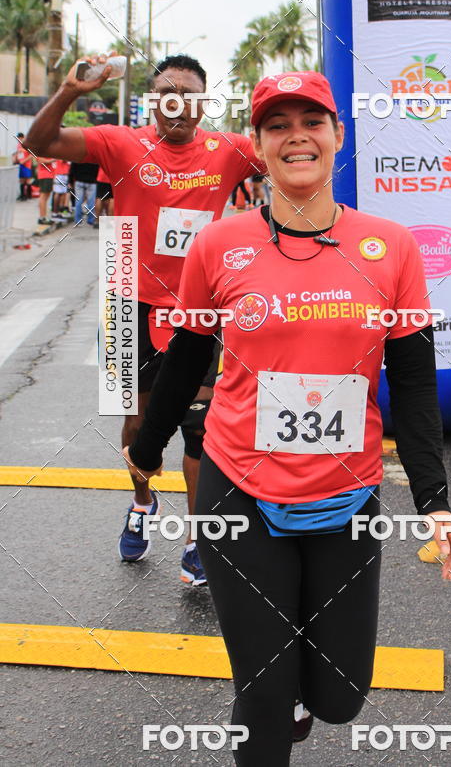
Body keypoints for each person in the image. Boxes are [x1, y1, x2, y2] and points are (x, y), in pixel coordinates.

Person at [124, 72, 451, 765]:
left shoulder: (391, 247)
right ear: (258, 146)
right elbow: (187, 358)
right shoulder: (219, 247)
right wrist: (149, 444)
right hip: (239, 488)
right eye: (276, 125)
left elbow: (413, 380)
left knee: (340, 696)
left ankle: (302, 693)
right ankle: (270, 693)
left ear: (338, 136)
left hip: (347, 494)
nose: (296, 136)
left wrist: (435, 500)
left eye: (311, 120)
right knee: (264, 689)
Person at [24, 52, 264, 586]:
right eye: (166, 92)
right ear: (153, 101)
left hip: (199, 310)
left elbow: (297, 162)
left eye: (188, 93)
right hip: (127, 303)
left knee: (200, 427)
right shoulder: (121, 143)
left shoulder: (228, 150)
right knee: (136, 424)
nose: (176, 102)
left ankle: (201, 535)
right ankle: (142, 502)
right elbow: (39, 144)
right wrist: (68, 93)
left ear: (204, 103)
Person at [69, 159, 98, 227]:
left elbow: (72, 169)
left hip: (79, 181)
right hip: (92, 182)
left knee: (78, 201)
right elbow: (97, 169)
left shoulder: (78, 156)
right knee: (91, 202)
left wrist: (70, 181)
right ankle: (90, 220)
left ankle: (78, 220)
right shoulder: (93, 157)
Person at [13, 133, 33, 201]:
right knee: (21, 180)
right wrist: (16, 159)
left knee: (27, 180)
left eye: (20, 137)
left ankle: (27, 195)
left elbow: (31, 155)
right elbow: (18, 154)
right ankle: (22, 195)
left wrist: (24, 161)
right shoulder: (19, 145)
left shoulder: (26, 144)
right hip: (21, 165)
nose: (18, 139)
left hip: (26, 165)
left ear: (23, 137)